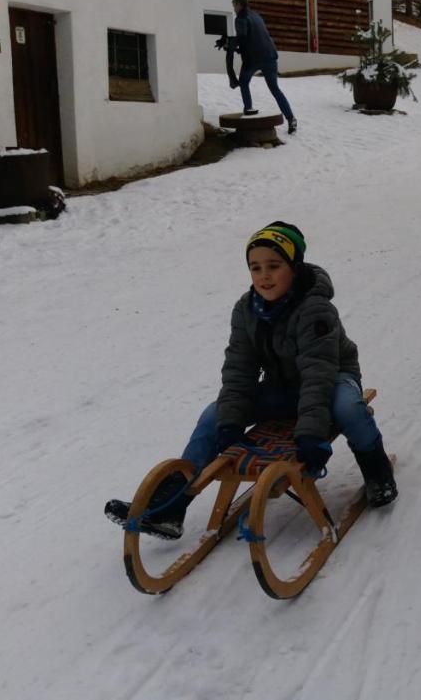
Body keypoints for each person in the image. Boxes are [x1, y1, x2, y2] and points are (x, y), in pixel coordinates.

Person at [105, 222, 397, 540]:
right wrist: (230, 421)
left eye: (274, 266)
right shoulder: (246, 311)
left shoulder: (316, 310)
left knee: (349, 408)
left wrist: (311, 435)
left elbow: (319, 374)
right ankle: (171, 506)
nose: (264, 276)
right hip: (282, 388)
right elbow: (238, 370)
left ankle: (377, 472)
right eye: (255, 268)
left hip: (331, 380)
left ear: (294, 269)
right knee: (212, 415)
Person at [215, 0, 297, 134]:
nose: (234, 9)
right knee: (275, 90)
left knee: (243, 81)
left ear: (240, 5)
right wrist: (233, 43)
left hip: (254, 59)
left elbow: (242, 36)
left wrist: (229, 43)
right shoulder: (256, 16)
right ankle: (291, 118)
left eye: (234, 6)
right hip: (270, 57)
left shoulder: (240, 18)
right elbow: (253, 37)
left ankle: (248, 108)